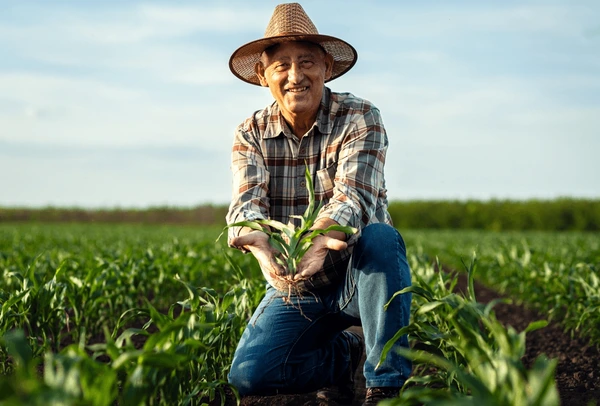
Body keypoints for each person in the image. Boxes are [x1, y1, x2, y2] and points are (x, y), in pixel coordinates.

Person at [225, 3, 412, 405]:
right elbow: (245, 205)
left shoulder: (360, 117)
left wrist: (318, 241)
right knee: (248, 375)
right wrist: (258, 245)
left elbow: (355, 196)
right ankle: (344, 354)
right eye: (282, 66)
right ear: (263, 76)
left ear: (326, 67)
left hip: (357, 276)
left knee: (381, 238)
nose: (296, 76)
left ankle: (385, 386)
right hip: (297, 285)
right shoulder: (251, 132)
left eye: (306, 62)